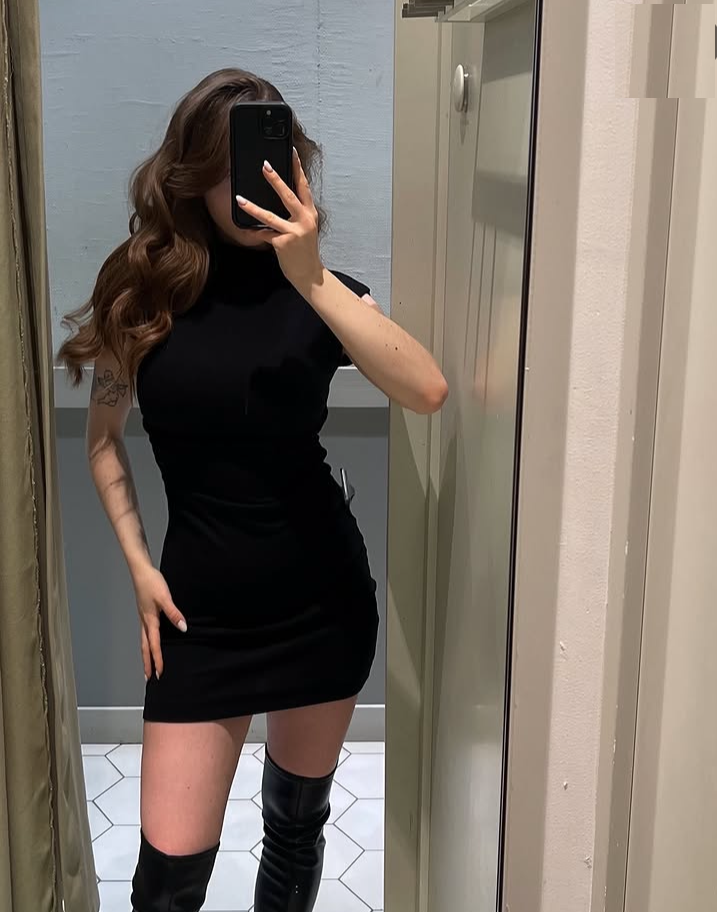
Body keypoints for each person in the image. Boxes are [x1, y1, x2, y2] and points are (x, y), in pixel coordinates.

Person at [58, 68, 448, 912]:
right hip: (198, 618)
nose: (246, 182)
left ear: (293, 167)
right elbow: (104, 443)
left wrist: (311, 276)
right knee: (165, 884)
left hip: (321, 605)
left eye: (267, 159)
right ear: (190, 174)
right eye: (224, 163)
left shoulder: (324, 291)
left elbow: (426, 390)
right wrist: (139, 568)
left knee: (295, 830)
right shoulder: (142, 291)